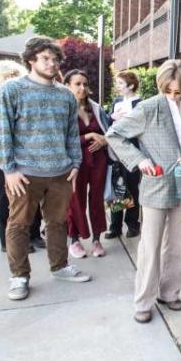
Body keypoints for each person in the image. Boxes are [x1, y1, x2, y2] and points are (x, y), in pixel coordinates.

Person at [105, 59, 181, 324]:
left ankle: (169, 293)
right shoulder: (148, 107)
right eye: (169, 91)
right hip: (156, 184)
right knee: (150, 246)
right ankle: (143, 301)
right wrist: (140, 161)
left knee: (176, 245)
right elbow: (114, 134)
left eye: (179, 92)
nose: (174, 96)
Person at [0, 37, 92, 301]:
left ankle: (59, 266)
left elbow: (72, 133)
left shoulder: (65, 95)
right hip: (24, 174)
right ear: (31, 60)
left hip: (60, 172)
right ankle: (19, 276)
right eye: (45, 58)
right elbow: (1, 132)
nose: (51, 63)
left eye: (55, 58)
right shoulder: (12, 90)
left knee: (58, 222)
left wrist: (75, 162)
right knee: (19, 225)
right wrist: (9, 170)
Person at [0, 60, 46, 252]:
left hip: (29, 155)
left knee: (32, 197)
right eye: (10, 77)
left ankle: (34, 235)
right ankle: (9, 241)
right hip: (2, 156)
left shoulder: (26, 96)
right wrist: (1, 132)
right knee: (5, 199)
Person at [63, 70, 111, 258]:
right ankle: (74, 239)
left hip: (99, 160)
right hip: (76, 161)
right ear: (68, 85)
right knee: (76, 200)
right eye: (77, 84)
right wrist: (88, 136)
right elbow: (62, 138)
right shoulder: (64, 108)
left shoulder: (96, 108)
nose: (82, 88)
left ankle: (97, 239)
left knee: (97, 199)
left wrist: (104, 140)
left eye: (85, 84)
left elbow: (110, 131)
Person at [106, 70, 142, 239]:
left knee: (132, 188)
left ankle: (133, 224)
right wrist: (112, 116)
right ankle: (115, 226)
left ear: (131, 85)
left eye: (121, 83)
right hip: (115, 151)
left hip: (133, 150)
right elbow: (107, 122)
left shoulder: (140, 103)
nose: (118, 87)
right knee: (117, 187)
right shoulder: (117, 102)